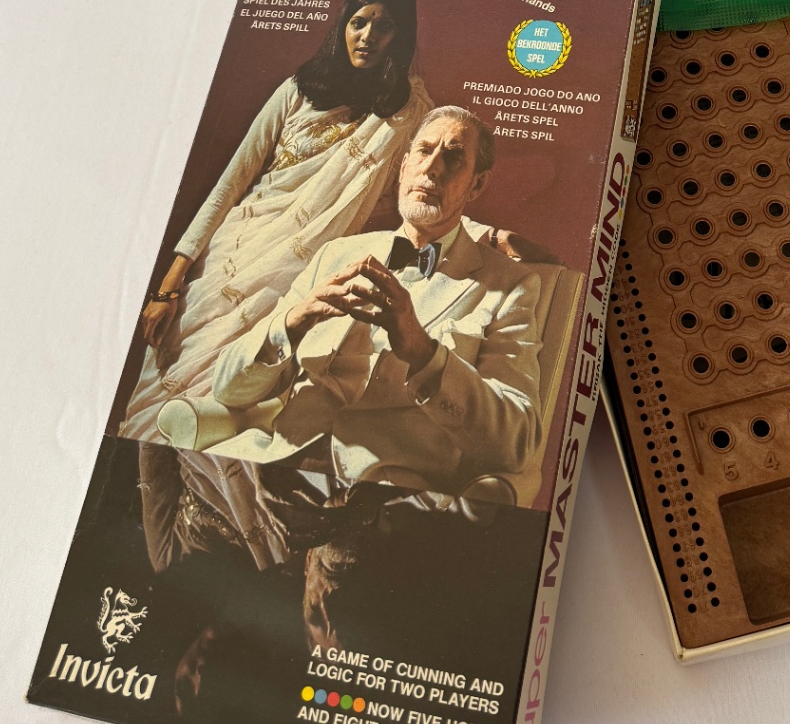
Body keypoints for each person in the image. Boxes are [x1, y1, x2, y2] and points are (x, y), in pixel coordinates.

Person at [120, 0, 431, 442]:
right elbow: (229, 186)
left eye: (383, 27)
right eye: (359, 23)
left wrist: (484, 236)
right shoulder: (299, 90)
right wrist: (167, 288)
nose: (367, 36)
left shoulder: (409, 115)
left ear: (400, 36)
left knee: (226, 414)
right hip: (227, 263)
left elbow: (421, 199)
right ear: (344, 26)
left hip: (294, 283)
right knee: (156, 409)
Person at [198, 106, 542, 515]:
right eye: (424, 151)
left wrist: (424, 353)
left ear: (477, 184)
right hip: (275, 464)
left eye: (453, 158)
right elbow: (228, 389)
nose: (432, 168)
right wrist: (291, 324)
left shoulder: (509, 286)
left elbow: (516, 442)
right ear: (403, 167)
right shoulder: (335, 255)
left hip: (379, 498)